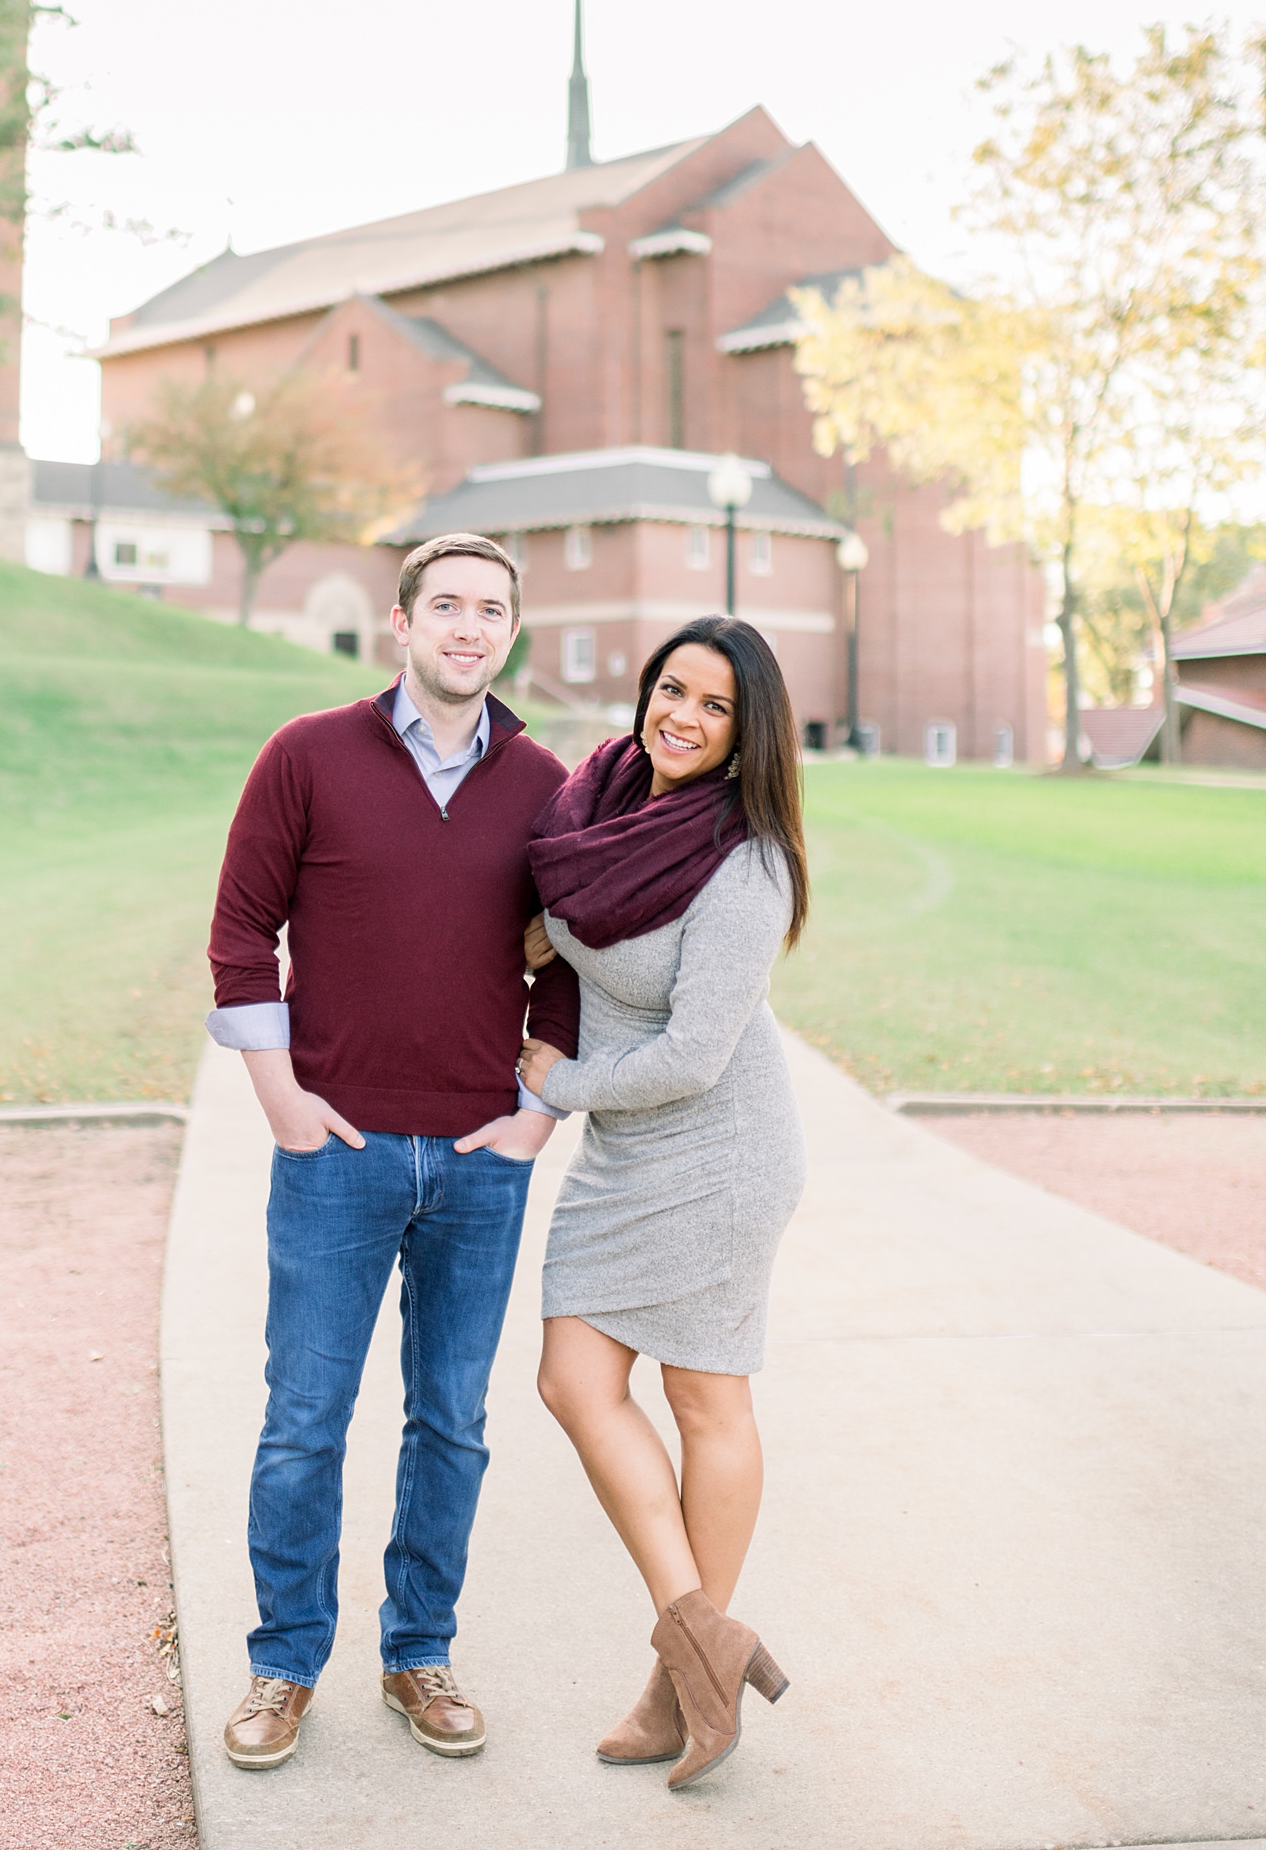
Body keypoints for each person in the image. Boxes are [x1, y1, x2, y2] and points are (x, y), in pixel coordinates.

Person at [206, 532, 578, 1773]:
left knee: (451, 1422)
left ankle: (420, 1650)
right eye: (448, 606)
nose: (469, 628)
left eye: (492, 610)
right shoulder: (306, 755)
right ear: (401, 623)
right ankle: (281, 1665)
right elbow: (241, 930)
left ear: (509, 634)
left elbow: (580, 960)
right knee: (304, 1420)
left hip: (479, 1160)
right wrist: (280, 1097)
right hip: (336, 1151)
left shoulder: (548, 787)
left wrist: (536, 1115)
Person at [516, 614, 809, 1793]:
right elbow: (571, 917)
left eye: (714, 708)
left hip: (716, 1147)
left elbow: (693, 1055)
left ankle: (672, 1680)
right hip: (629, 1155)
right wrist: (546, 941)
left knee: (704, 1396)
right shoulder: (602, 800)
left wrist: (566, 1083)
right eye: (670, 689)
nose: (680, 717)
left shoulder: (747, 862)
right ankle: (703, 1647)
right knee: (574, 1379)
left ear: (748, 738)